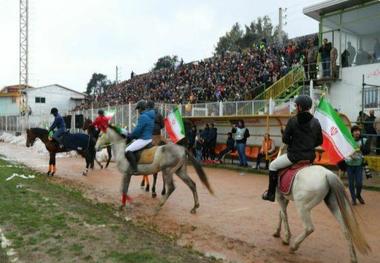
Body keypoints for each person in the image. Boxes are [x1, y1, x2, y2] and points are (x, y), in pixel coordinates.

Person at [262, 95, 323, 202]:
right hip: (310, 157)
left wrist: (294, 144)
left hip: (294, 156)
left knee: (272, 166)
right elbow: (320, 141)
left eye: (296, 106)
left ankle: (271, 194)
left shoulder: (293, 120)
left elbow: (285, 140)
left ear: (299, 107)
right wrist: (308, 145)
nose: (295, 107)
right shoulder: (316, 122)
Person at [124, 100, 155, 173]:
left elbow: (137, 131)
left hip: (144, 139)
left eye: (138, 109)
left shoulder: (143, 116)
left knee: (127, 150)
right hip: (149, 138)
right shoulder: (150, 116)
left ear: (141, 108)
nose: (138, 111)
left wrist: (130, 136)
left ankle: (135, 169)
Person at [345, 126, 367, 205]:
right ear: (352, 133)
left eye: (358, 131)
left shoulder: (363, 140)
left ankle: (358, 195)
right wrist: (350, 155)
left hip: (359, 164)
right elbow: (345, 151)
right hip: (349, 165)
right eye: (355, 131)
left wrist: (363, 148)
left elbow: (367, 150)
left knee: (359, 183)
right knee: (351, 183)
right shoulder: (348, 141)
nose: (357, 132)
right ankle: (353, 199)